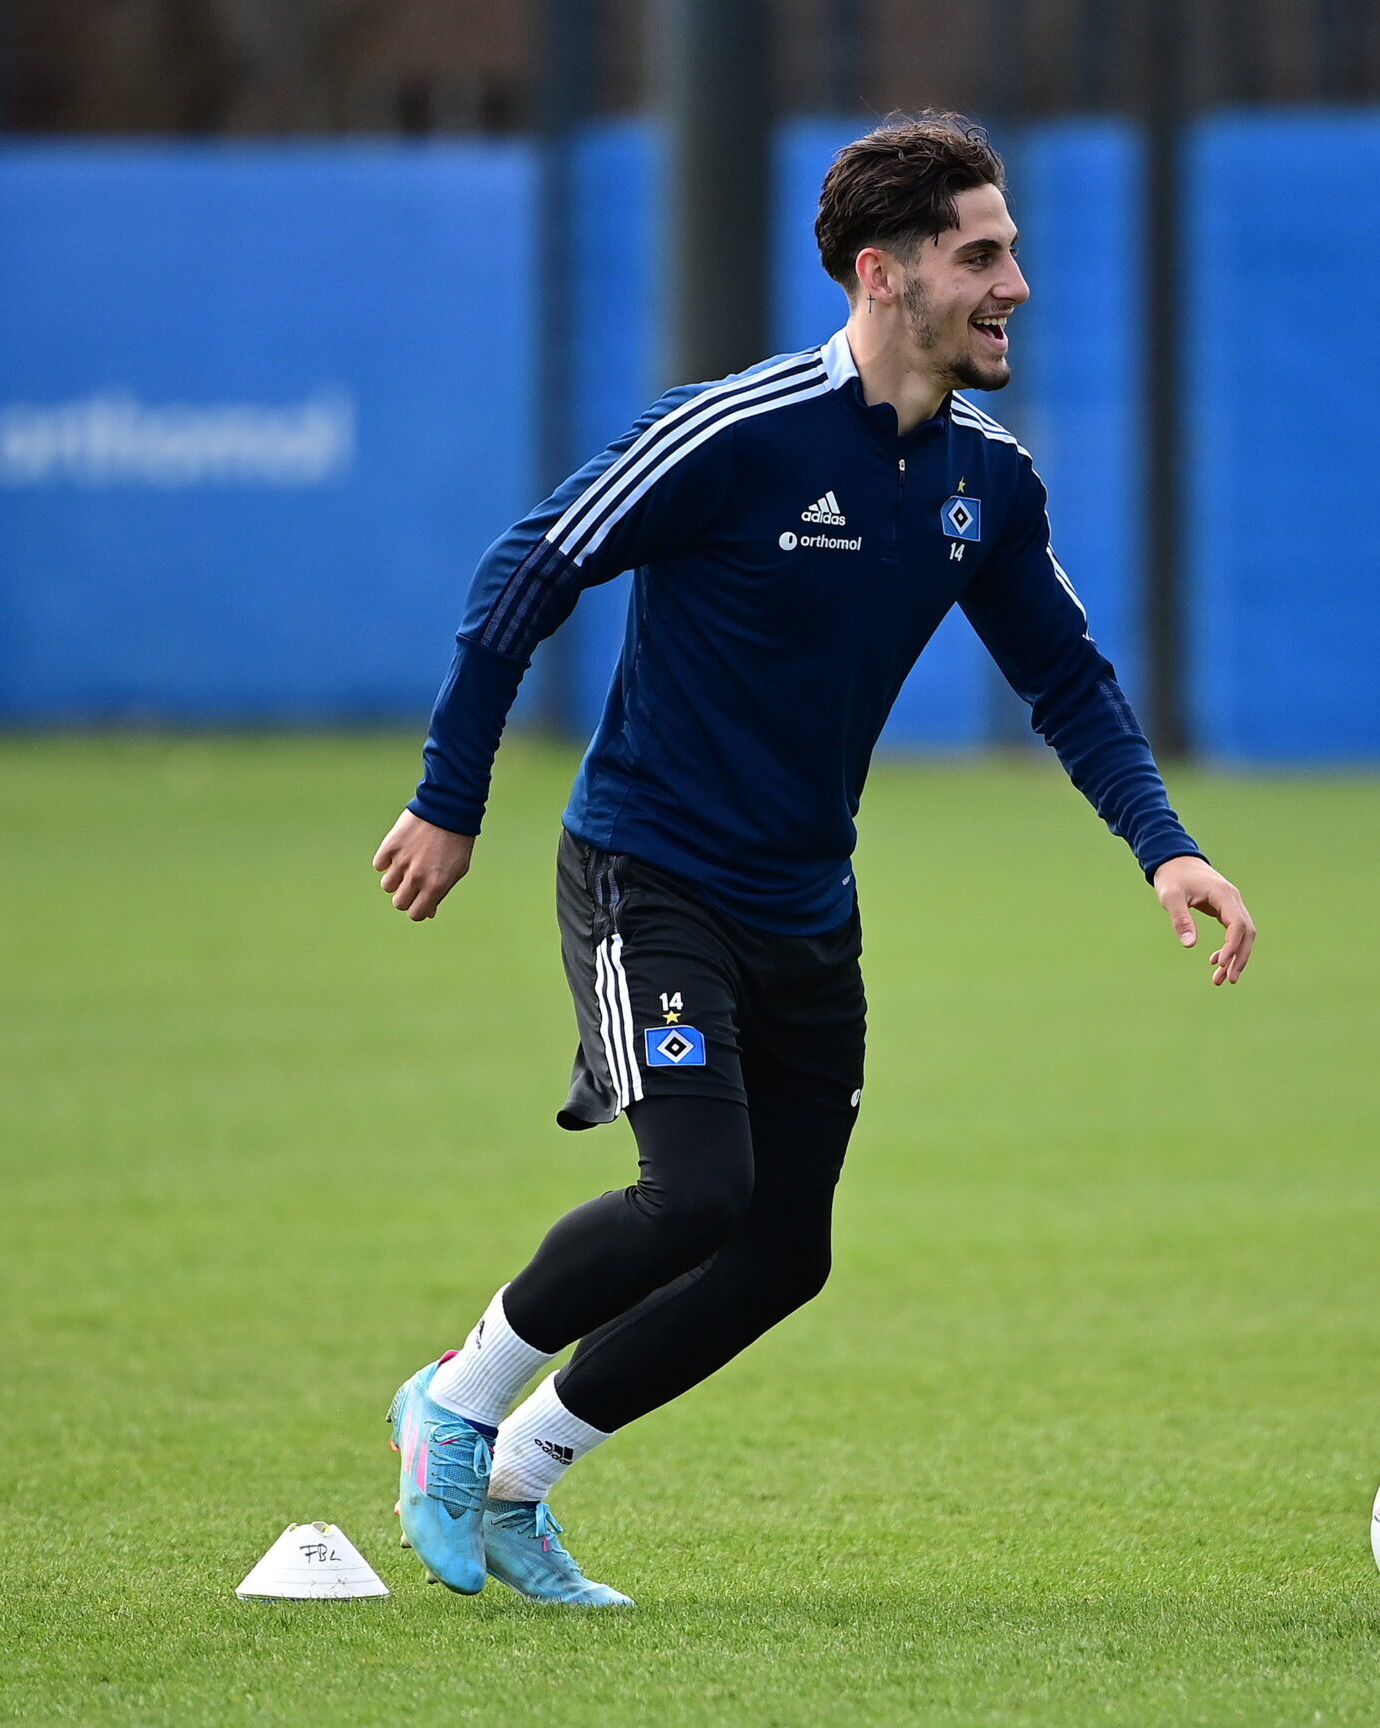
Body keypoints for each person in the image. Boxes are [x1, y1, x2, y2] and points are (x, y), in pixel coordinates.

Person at [369, 112, 1255, 1607]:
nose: (1016, 285)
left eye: (1014, 250)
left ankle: (522, 1480)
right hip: (647, 871)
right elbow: (526, 574)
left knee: (785, 1253)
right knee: (696, 1193)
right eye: (983, 254)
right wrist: (451, 796)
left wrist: (1166, 851)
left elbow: (1069, 681)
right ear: (881, 273)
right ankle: (452, 1405)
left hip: (804, 904)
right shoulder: (730, 433)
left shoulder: (987, 478)